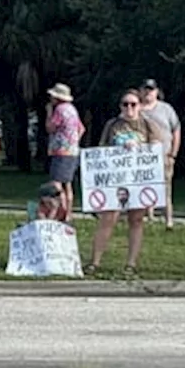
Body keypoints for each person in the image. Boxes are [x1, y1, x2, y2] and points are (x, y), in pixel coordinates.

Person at [85, 90, 157, 276]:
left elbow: (156, 150)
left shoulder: (147, 124)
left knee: (136, 219)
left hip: (138, 179)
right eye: (125, 104)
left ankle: (131, 264)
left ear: (140, 106)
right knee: (108, 218)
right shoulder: (112, 125)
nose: (129, 108)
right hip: (115, 178)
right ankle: (95, 261)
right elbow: (101, 150)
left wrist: (139, 149)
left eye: (133, 104)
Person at [139, 79, 181, 229]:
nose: (148, 92)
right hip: (141, 158)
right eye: (145, 89)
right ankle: (147, 216)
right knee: (142, 187)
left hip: (164, 155)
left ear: (157, 92)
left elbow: (176, 129)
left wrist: (173, 153)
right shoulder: (135, 108)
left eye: (151, 89)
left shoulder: (166, 109)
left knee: (165, 189)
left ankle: (169, 220)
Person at [45, 83, 84, 221]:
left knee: (57, 183)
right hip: (73, 151)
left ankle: (62, 211)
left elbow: (50, 127)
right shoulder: (72, 110)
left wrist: (49, 113)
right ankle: (69, 212)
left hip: (61, 151)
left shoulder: (59, 110)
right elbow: (81, 128)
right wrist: (74, 141)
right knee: (68, 183)